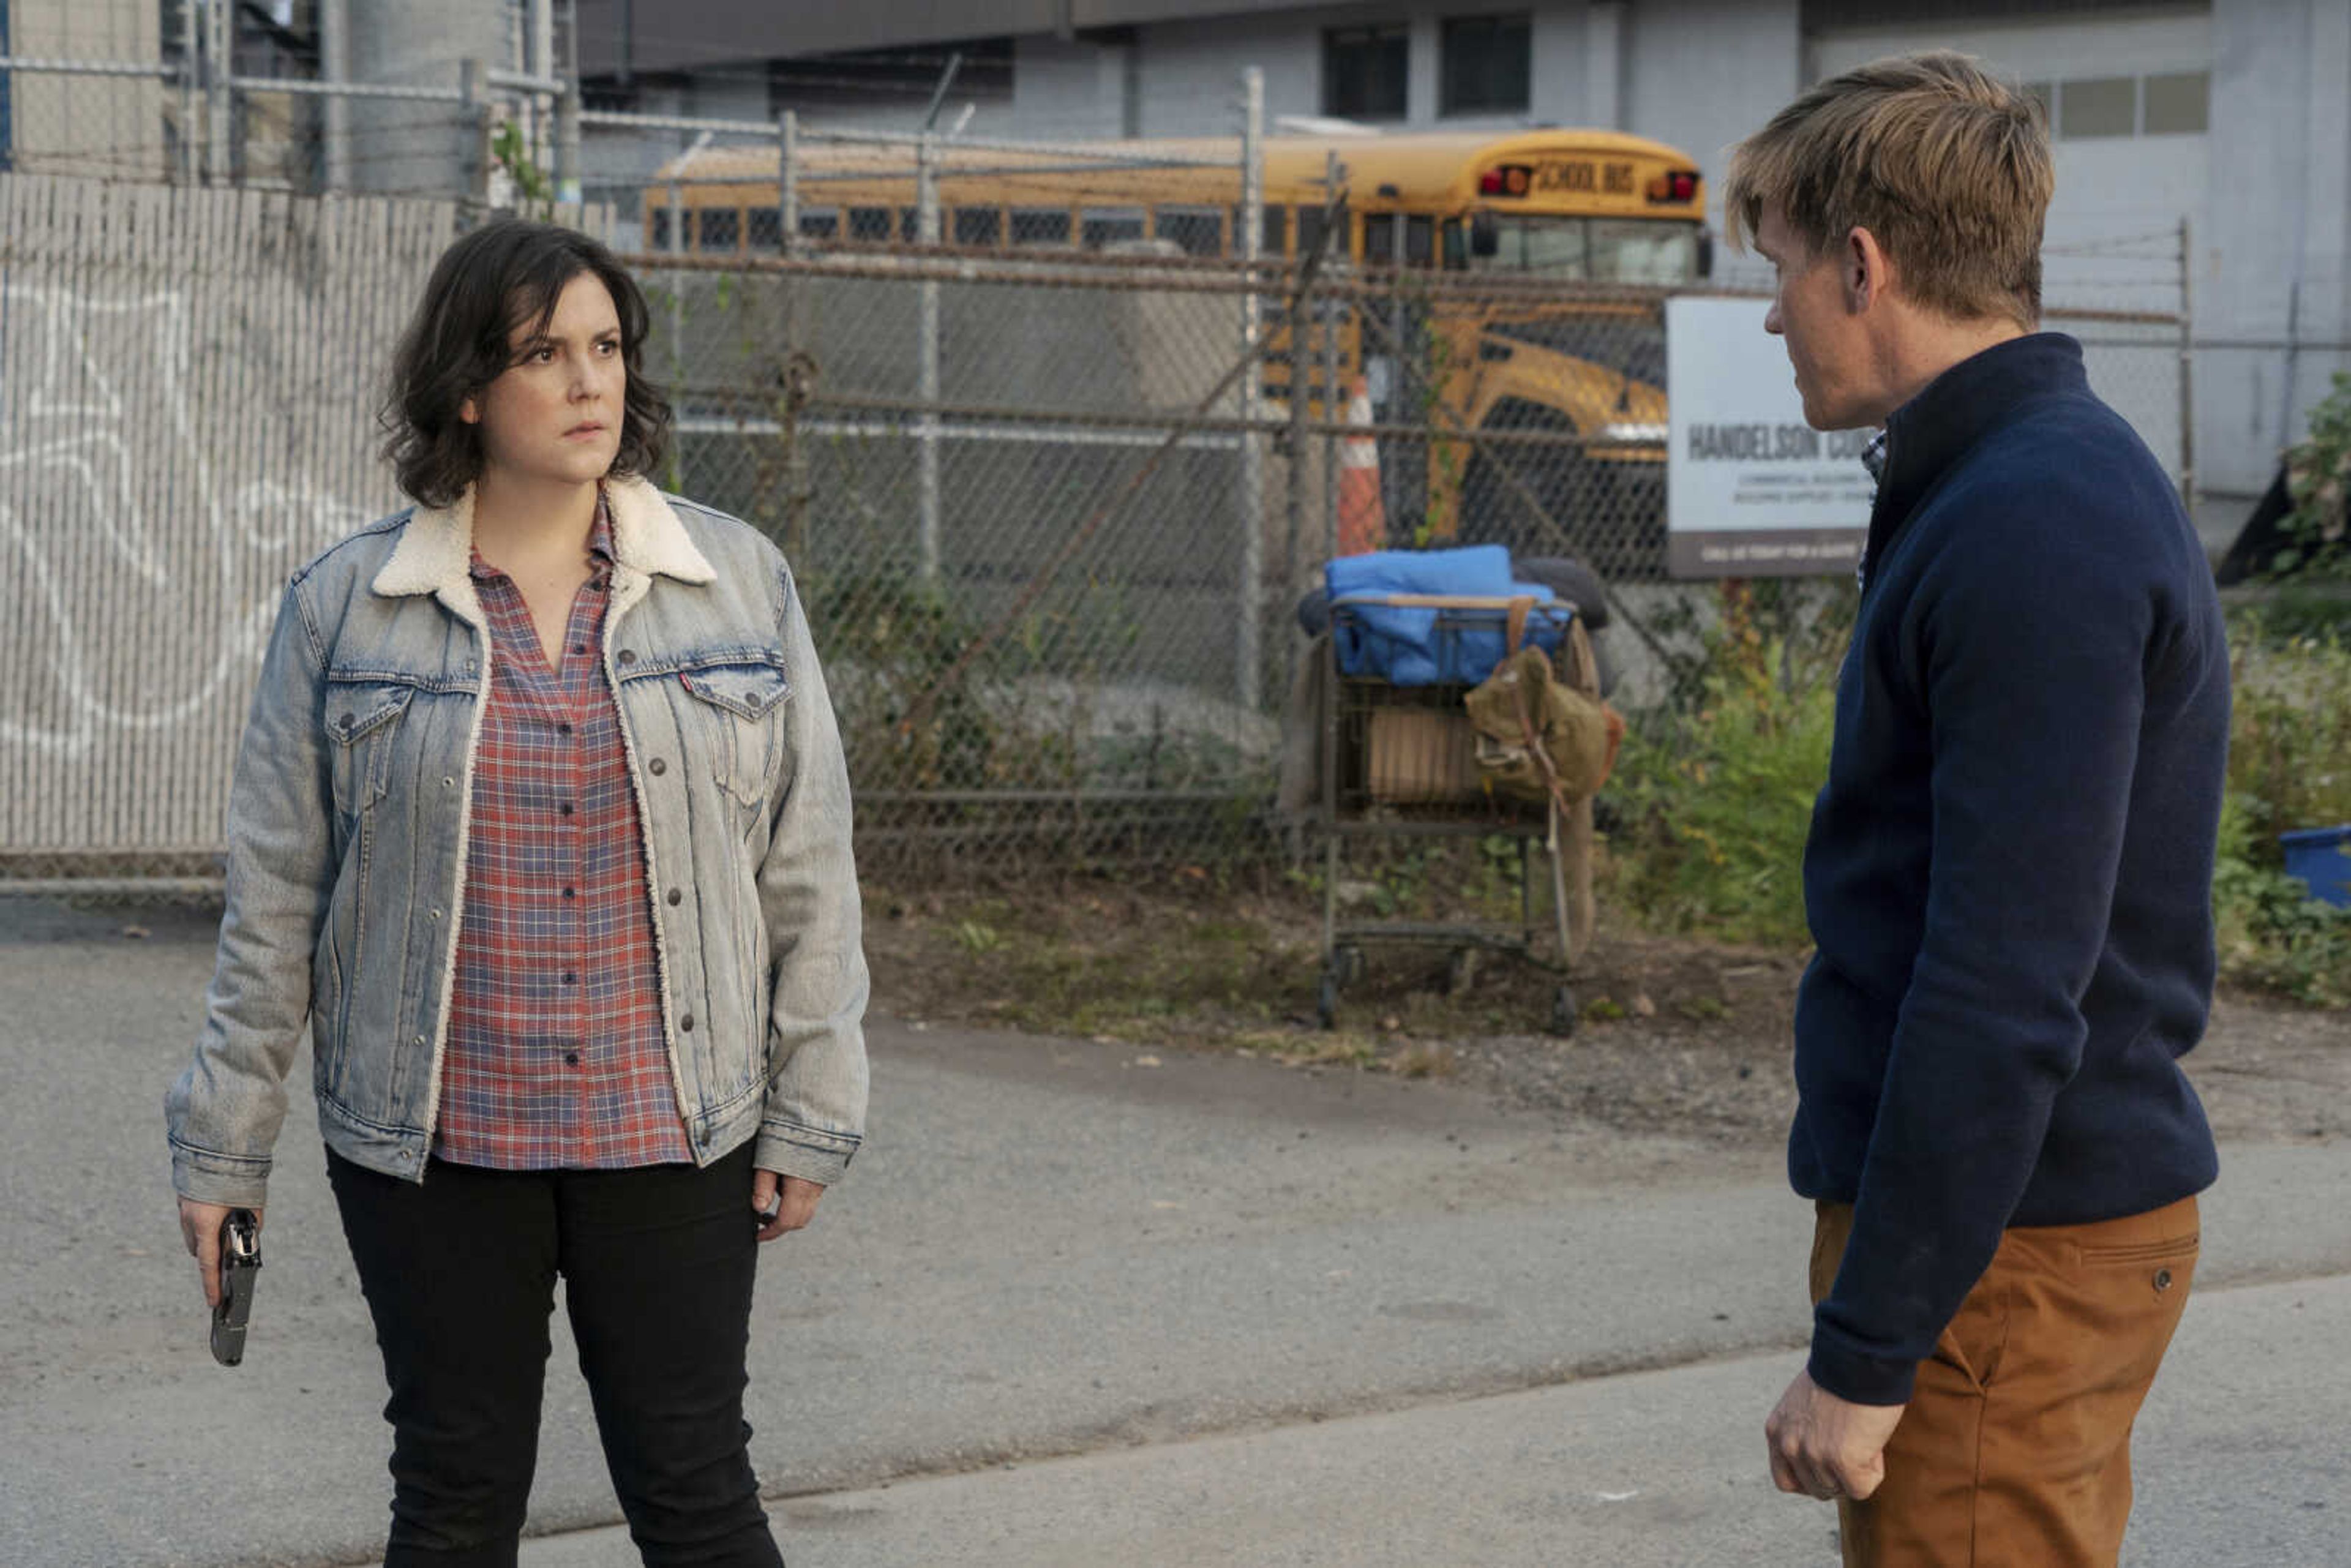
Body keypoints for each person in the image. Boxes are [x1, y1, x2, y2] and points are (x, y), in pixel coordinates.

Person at [164, 218, 869, 1567]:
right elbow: (273, 909)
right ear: (470, 389)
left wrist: (815, 1105)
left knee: (697, 1491)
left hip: (673, 1124)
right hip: (437, 1143)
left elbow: (808, 868)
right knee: (453, 1493)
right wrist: (227, 1150)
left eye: (607, 348)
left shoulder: (735, 588)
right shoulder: (345, 611)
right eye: (546, 353)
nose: (590, 382)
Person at [1725, 54, 2229, 1566]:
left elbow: (2007, 980)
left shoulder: (2034, 522)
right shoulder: (2007, 482)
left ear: (1864, 266)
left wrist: (1870, 1351)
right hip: (2001, 1241)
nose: (1771, 314)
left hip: (2005, 1261)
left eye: (1782, 268)